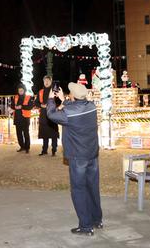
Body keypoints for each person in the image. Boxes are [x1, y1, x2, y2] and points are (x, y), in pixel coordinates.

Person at [47, 82, 102, 237]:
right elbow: (75, 107)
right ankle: (97, 220)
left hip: (79, 157)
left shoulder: (69, 113)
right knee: (92, 188)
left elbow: (51, 114)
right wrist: (64, 99)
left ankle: (86, 226)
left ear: (73, 95)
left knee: (79, 190)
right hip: (92, 154)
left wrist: (52, 99)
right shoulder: (91, 106)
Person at [35, 75, 59, 156]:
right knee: (45, 133)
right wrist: (41, 105)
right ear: (43, 82)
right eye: (45, 81)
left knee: (53, 133)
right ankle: (44, 150)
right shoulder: (40, 91)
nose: (46, 82)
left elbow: (59, 101)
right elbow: (36, 102)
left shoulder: (55, 90)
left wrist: (51, 105)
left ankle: (54, 150)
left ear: (51, 81)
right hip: (43, 115)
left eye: (48, 80)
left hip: (52, 114)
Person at [10, 83, 34, 153]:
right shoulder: (15, 97)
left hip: (25, 118)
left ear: (24, 90)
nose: (20, 91)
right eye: (19, 90)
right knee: (19, 133)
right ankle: (22, 146)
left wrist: (22, 107)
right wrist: (14, 107)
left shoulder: (28, 97)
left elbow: (30, 107)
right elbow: (12, 106)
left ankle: (27, 148)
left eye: (21, 90)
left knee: (26, 133)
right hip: (17, 118)